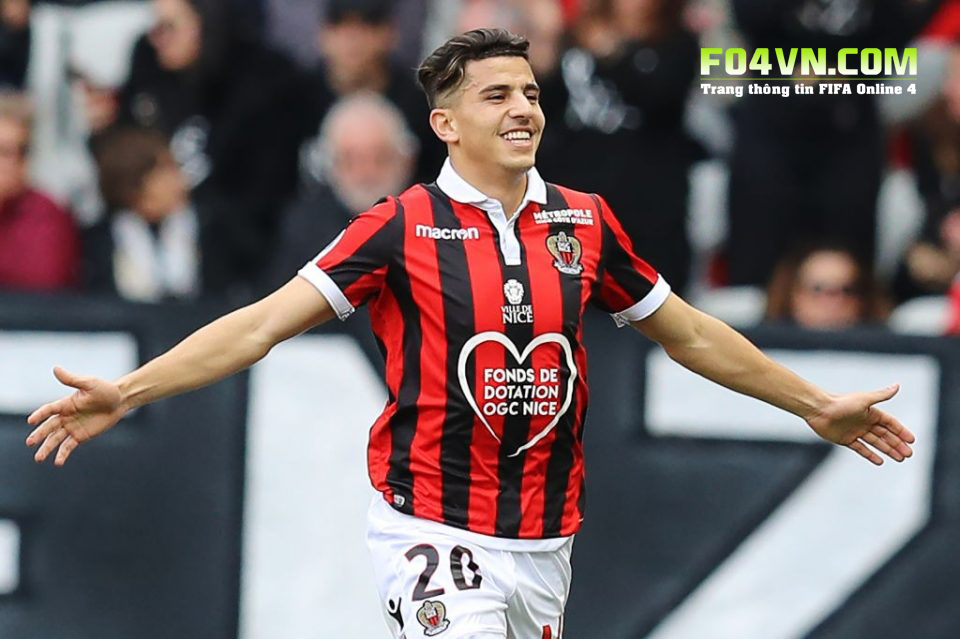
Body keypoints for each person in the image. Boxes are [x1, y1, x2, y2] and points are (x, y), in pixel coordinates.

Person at [25, 29, 915, 639]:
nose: (523, 108)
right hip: (432, 526)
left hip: (547, 541)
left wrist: (814, 404)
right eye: (497, 95)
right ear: (445, 124)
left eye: (530, 91)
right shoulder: (398, 226)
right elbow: (259, 325)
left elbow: (689, 334)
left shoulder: (585, 221)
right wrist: (129, 389)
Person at [261, 91, 418, 294]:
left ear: (406, 160)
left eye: (380, 158)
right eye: (350, 160)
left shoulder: (434, 220)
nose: (366, 173)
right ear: (329, 164)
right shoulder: (303, 227)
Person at [84, 127, 200, 302]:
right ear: (133, 184)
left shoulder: (208, 228)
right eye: (165, 171)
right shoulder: (99, 240)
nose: (179, 181)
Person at [0, 91, 80, 292]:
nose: (13, 162)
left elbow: (44, 284)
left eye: (22, 150)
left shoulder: (46, 215)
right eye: (2, 151)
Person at [765, 243, 886, 330]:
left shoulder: (886, 351)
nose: (835, 302)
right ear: (792, 295)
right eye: (817, 289)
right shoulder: (764, 349)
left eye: (847, 290)